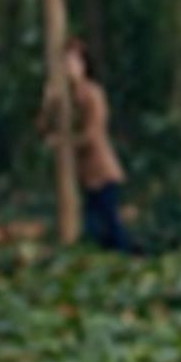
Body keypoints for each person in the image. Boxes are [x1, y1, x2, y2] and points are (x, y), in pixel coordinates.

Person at [39, 38, 137, 253]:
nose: (69, 68)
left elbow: (93, 134)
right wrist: (48, 104)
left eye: (74, 62)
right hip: (82, 176)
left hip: (101, 172)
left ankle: (132, 262)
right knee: (95, 229)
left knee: (109, 227)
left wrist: (64, 143)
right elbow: (43, 128)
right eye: (65, 63)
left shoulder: (93, 94)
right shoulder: (64, 98)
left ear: (83, 65)